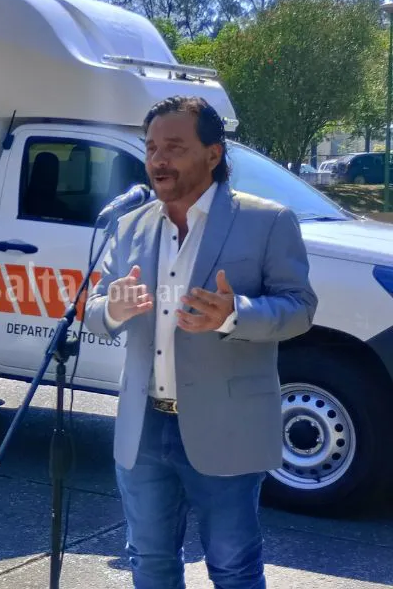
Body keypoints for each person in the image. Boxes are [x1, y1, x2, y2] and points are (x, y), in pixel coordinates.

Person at [84, 96, 318, 589]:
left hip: (227, 426)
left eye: (174, 147)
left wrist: (236, 314)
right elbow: (94, 310)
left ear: (214, 153)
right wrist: (113, 310)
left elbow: (300, 308)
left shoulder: (268, 221)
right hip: (143, 427)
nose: (158, 160)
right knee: (148, 563)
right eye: (150, 148)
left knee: (233, 568)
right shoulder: (130, 225)